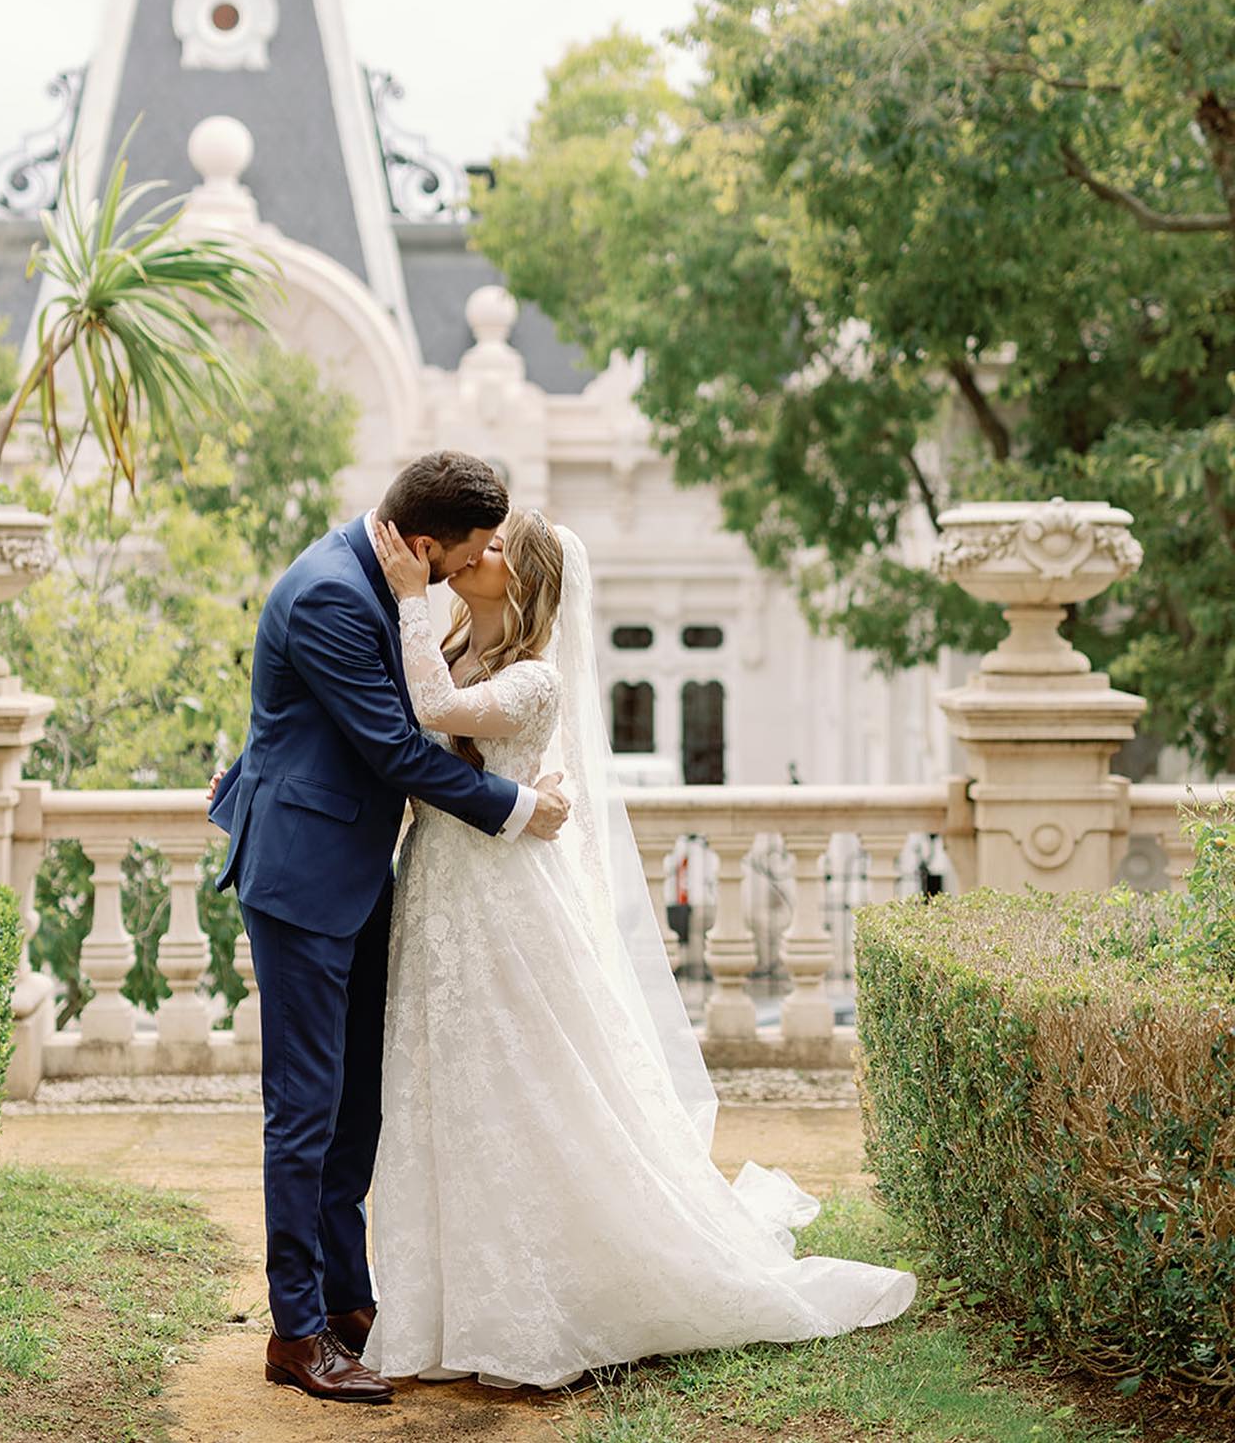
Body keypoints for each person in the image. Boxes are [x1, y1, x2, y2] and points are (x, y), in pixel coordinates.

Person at [362, 510, 916, 1389]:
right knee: (445, 1085)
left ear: (529, 582)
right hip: (438, 890)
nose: (476, 553)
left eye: (497, 548)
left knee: (522, 1086)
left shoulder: (534, 678)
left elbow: (432, 709)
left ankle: (546, 1293)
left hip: (503, 903)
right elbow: (399, 733)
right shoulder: (461, 646)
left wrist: (406, 600)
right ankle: (445, 1303)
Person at [205, 452, 570, 1405]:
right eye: (467, 554)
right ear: (421, 543)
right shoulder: (331, 592)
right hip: (306, 883)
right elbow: (396, 747)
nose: (472, 568)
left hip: (363, 873)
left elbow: (304, 721)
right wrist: (517, 806)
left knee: (356, 1104)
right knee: (306, 1108)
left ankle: (347, 1298)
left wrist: (246, 774)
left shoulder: (374, 575)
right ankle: (297, 1333)